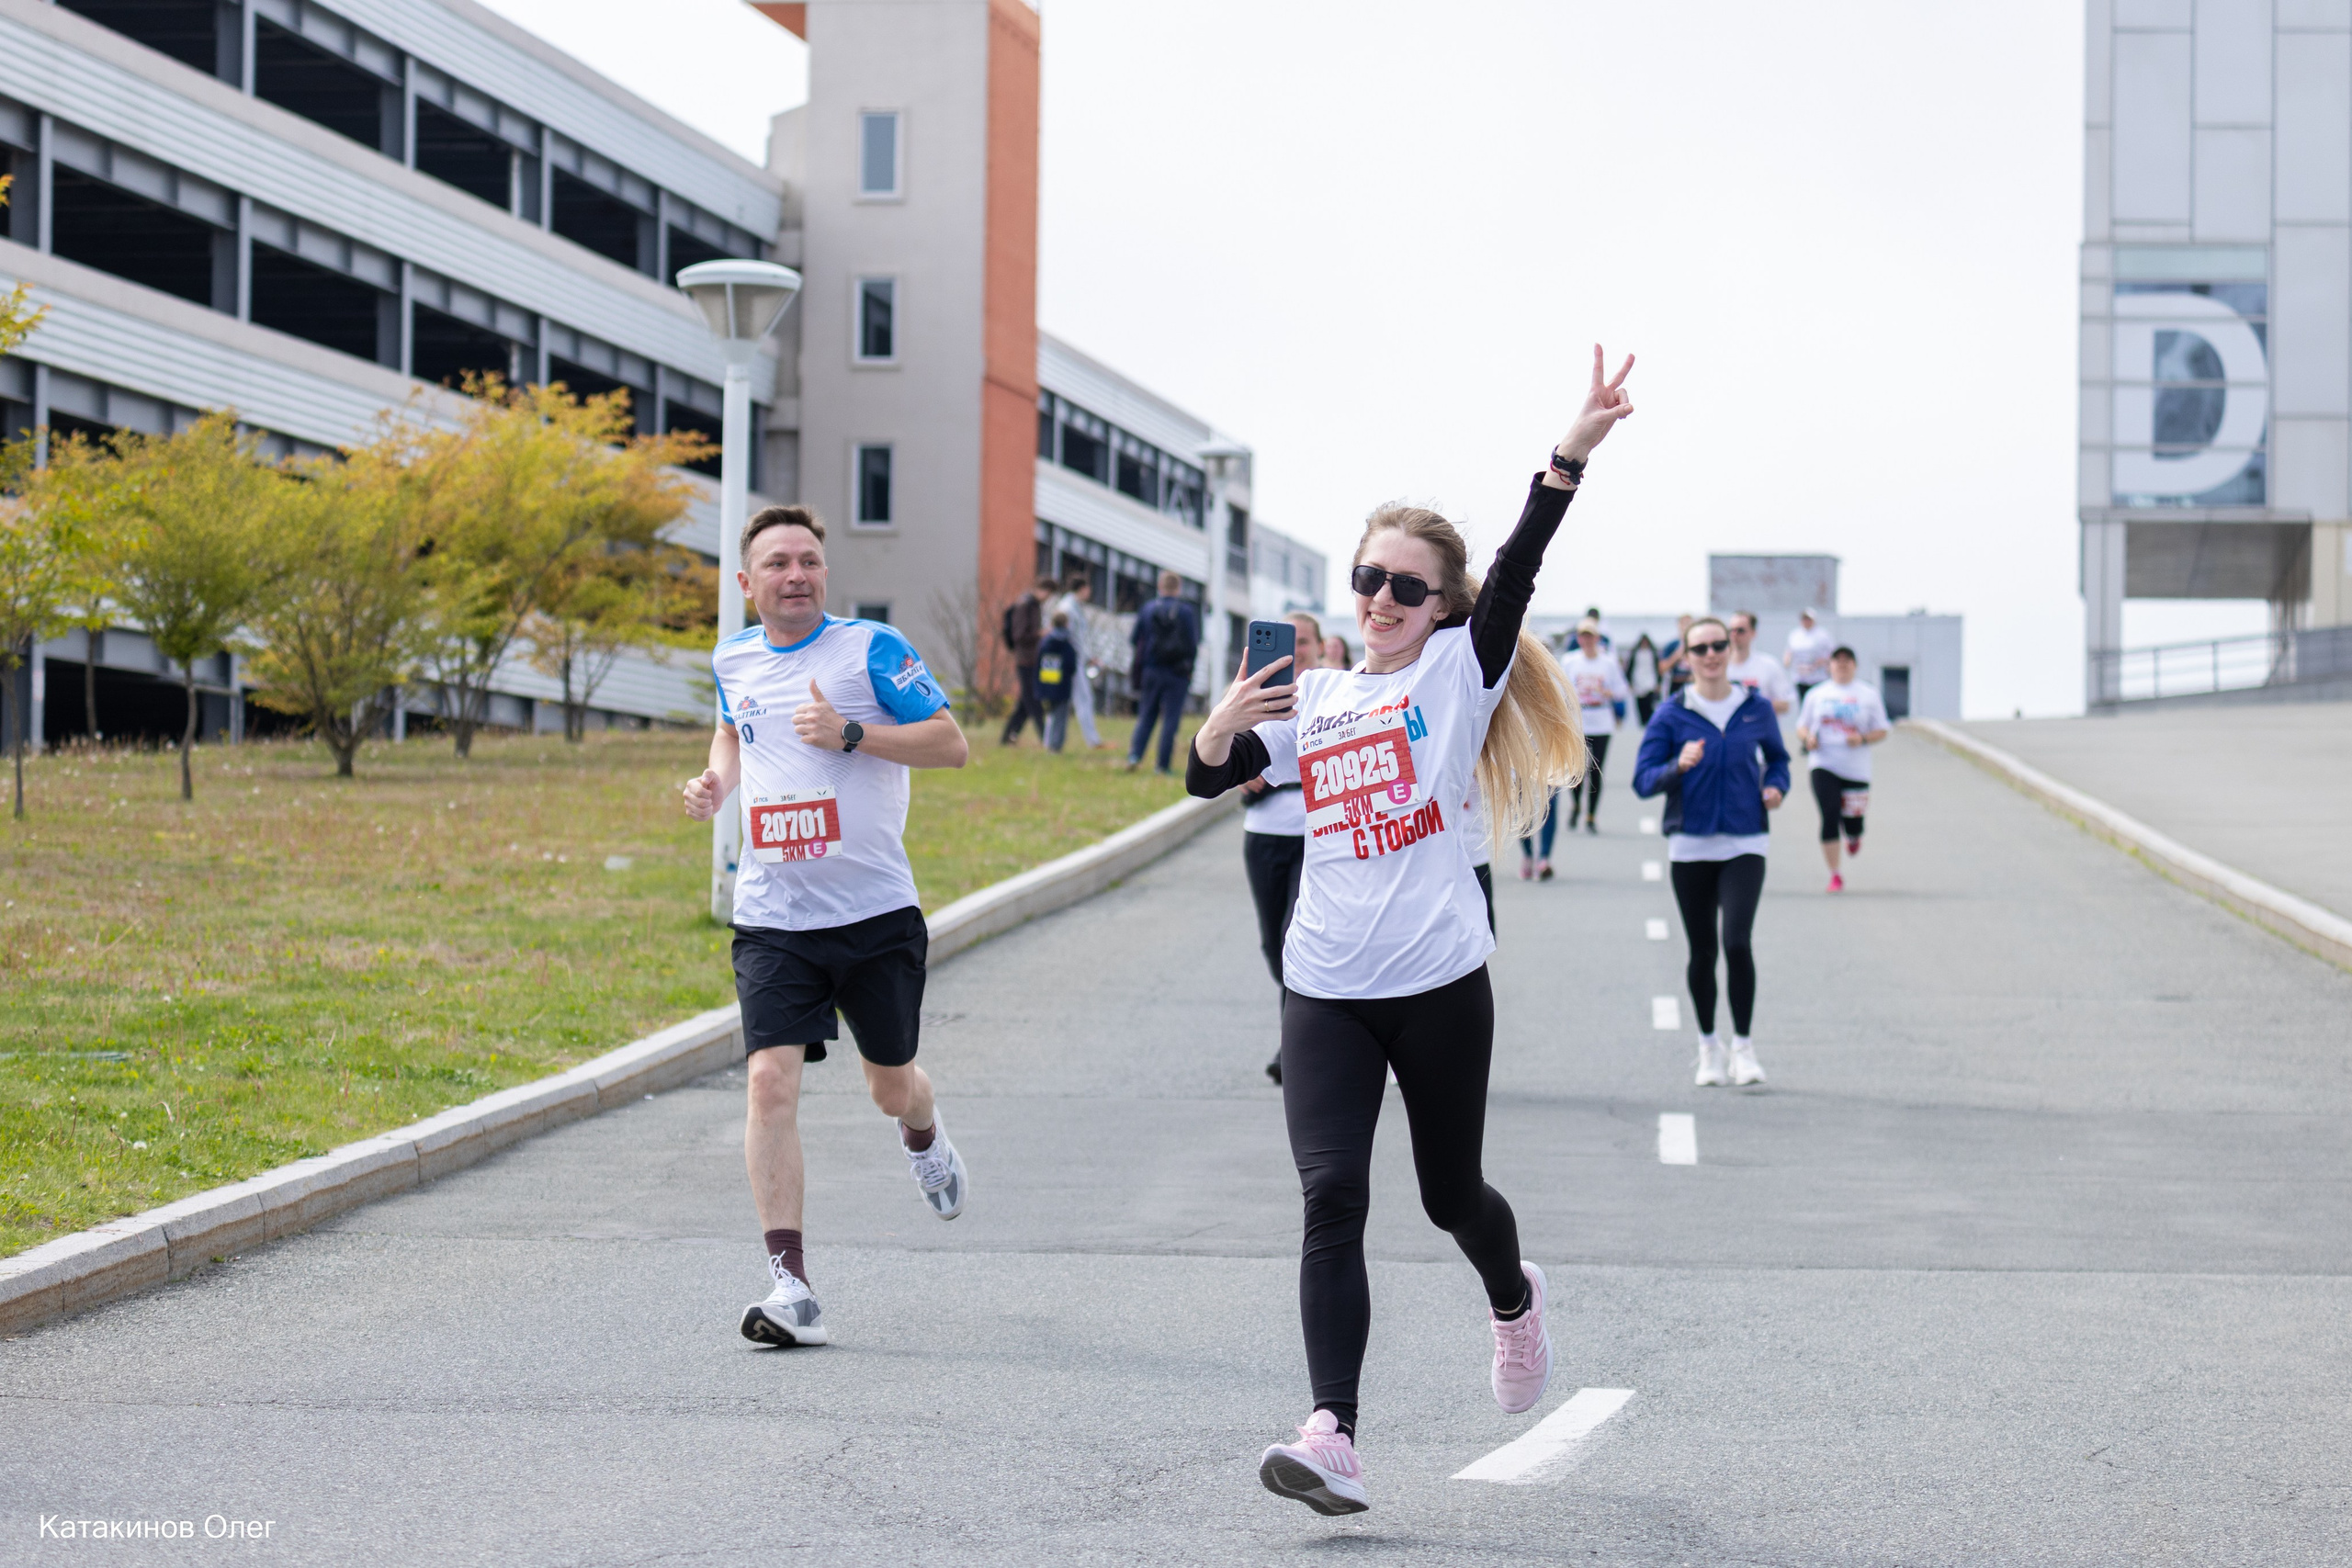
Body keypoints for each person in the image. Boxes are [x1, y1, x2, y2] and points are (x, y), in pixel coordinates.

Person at [1188, 344, 1632, 1517]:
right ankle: (1332, 1433)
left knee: (1448, 1196)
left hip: (1436, 979)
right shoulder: (1319, 696)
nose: (1379, 600)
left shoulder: (1452, 677)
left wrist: (1567, 457)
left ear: (1441, 606)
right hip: (1324, 980)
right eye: (1366, 579)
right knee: (1332, 1194)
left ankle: (1511, 1296)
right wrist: (1216, 729)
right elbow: (1211, 778)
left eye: (1404, 587)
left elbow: (1523, 573)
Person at [682, 504, 974, 1349]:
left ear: (824, 572)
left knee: (891, 1085)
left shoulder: (871, 649)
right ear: (748, 583)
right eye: (777, 563)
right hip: (774, 915)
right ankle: (791, 1284)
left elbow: (951, 744)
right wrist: (713, 781)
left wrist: (852, 733)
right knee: (768, 1079)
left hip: (875, 913)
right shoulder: (731, 655)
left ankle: (924, 1130)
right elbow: (732, 728)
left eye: (809, 560)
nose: (796, 574)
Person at [1633, 615, 1789, 1092]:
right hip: (1691, 845)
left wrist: (1777, 788)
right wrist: (1675, 767)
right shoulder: (1672, 714)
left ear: (1730, 647)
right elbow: (1643, 781)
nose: (1712, 654)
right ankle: (1708, 1047)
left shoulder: (1755, 708)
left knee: (1737, 943)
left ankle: (1743, 1047)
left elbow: (1779, 760)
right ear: (1687, 656)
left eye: (1719, 644)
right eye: (1700, 648)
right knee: (1703, 951)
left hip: (1745, 841)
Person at [1238, 611, 1326, 1086]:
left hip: (1315, 838)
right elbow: (1224, 763)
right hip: (1263, 834)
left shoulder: (1332, 698)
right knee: (1274, 946)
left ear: (1317, 646)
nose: (1299, 651)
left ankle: (1295, 1047)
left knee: (1297, 940)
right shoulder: (1254, 697)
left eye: (1306, 642)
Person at [1795, 647, 1890, 892]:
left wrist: (1863, 739)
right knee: (1829, 814)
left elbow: (1882, 730)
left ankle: (1854, 835)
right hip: (1824, 762)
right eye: (1837, 661)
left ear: (1855, 666)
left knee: (1853, 822)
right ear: (1830, 666)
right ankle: (1835, 874)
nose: (1842, 665)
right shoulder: (1817, 694)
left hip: (1856, 767)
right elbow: (1802, 726)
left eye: (1847, 662)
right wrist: (1808, 739)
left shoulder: (1867, 694)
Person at [1559, 617, 1632, 835]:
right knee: (1575, 770)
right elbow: (1560, 688)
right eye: (1583, 636)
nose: (1587, 640)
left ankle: (1591, 815)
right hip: (1578, 721)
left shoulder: (1608, 663)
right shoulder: (1570, 661)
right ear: (1578, 639)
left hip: (1601, 720)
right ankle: (1576, 804)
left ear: (1597, 638)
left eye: (1590, 636)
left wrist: (1607, 693)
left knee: (1596, 770)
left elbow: (1622, 690)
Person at [1126, 570, 1199, 774]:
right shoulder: (1185, 612)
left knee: (1146, 714)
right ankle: (1162, 765)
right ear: (1178, 588)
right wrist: (1189, 669)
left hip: (1151, 669)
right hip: (1177, 673)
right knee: (1171, 719)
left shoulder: (1147, 609)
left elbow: (1135, 640)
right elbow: (1193, 644)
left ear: (1160, 586)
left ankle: (1135, 755)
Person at [1000, 577, 1057, 745]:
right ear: (1042, 590)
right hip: (1025, 660)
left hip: (1033, 659)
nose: (1048, 598)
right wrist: (1040, 635)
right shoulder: (1025, 605)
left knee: (1025, 703)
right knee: (1033, 700)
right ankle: (1046, 737)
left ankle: (1008, 737)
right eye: (1049, 594)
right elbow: (1019, 635)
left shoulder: (1035, 606)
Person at [1053, 574, 1107, 749]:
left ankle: (1091, 740)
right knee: (1082, 699)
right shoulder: (1068, 608)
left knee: (1067, 700)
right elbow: (1069, 637)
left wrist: (1088, 657)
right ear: (1082, 588)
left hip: (1076, 660)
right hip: (1071, 661)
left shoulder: (1073, 607)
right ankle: (1093, 741)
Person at [1725, 611, 1794, 716]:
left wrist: (1753, 702)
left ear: (1753, 633)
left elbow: (1785, 705)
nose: (1734, 635)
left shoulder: (1769, 665)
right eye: (1731, 630)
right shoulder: (1719, 666)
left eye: (1740, 630)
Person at [1037, 611, 1080, 753]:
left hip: (1047, 684)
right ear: (1066, 624)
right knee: (1061, 717)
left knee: (1050, 715)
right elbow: (1071, 665)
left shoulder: (1045, 642)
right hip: (1062, 686)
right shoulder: (1068, 643)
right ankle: (1056, 746)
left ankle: (1047, 743)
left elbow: (1038, 663)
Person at [1784, 608, 1836, 702]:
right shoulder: (1795, 635)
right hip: (1801, 677)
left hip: (1818, 677)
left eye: (1808, 619)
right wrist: (1787, 661)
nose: (1806, 622)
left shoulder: (1823, 635)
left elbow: (1832, 654)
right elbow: (1789, 651)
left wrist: (1823, 662)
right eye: (1804, 619)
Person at [1623, 632, 1663, 727]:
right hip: (1638, 682)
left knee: (1650, 706)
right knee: (1641, 706)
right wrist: (1630, 682)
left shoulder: (1653, 653)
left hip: (1651, 682)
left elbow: (1658, 669)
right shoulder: (1635, 653)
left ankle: (1650, 724)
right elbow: (1629, 668)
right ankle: (1642, 724)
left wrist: (1659, 682)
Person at [1659, 613, 1695, 702]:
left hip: (1693, 684)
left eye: (1689, 623)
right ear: (1679, 625)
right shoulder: (1672, 645)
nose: (1686, 626)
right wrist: (1677, 655)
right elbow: (1662, 668)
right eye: (1684, 623)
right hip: (1675, 684)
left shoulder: (1698, 644)